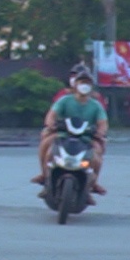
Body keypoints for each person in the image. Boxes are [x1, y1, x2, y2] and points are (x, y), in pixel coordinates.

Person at [32, 67, 109, 198]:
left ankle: (92, 184)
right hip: (64, 134)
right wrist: (51, 124)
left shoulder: (96, 105)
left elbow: (103, 123)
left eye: (87, 83)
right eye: (82, 82)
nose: (84, 86)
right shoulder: (65, 100)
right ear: (75, 85)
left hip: (86, 137)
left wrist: (100, 132)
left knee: (97, 155)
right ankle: (45, 176)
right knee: (47, 144)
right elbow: (51, 115)